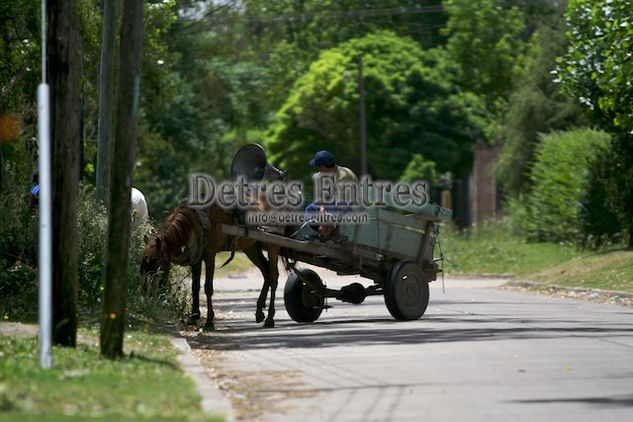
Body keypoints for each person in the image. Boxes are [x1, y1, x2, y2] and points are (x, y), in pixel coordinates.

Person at [305, 150, 358, 239]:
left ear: (322, 166)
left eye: (318, 166)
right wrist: (322, 211)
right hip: (332, 206)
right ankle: (323, 233)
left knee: (334, 210)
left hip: (349, 207)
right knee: (310, 209)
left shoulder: (344, 175)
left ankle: (326, 234)